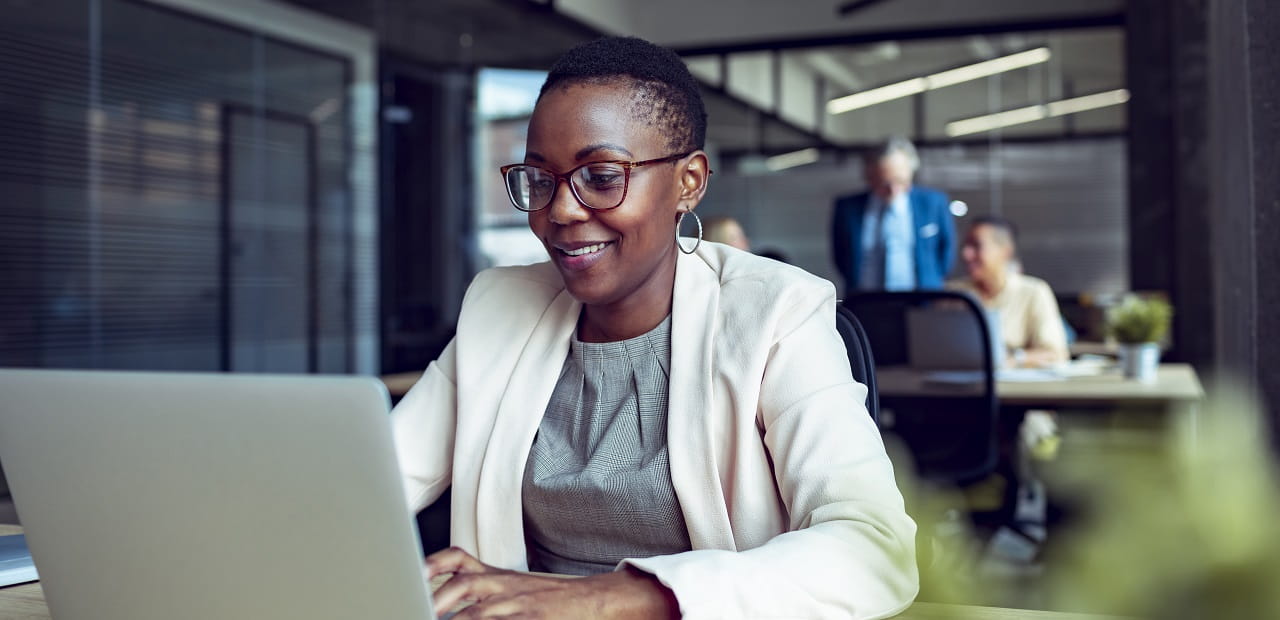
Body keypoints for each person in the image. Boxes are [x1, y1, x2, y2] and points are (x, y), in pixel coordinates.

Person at [391, 36, 917, 619]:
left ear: (689, 181)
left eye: (601, 174)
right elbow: (368, 486)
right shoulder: (500, 305)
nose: (560, 210)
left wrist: (604, 600)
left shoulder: (776, 313)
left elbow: (876, 550)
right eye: (540, 179)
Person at [831, 138, 955, 295]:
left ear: (910, 173)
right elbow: (841, 257)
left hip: (922, 302)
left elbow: (945, 254)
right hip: (865, 302)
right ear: (870, 177)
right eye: (885, 183)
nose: (893, 190)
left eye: (901, 181)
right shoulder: (847, 208)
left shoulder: (933, 203)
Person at [949, 215, 1069, 368]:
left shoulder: (1034, 292)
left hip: (1014, 388)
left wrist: (1014, 359)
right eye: (966, 246)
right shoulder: (954, 294)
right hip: (957, 387)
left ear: (1005, 251)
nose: (966, 254)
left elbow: (1056, 353)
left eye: (976, 246)